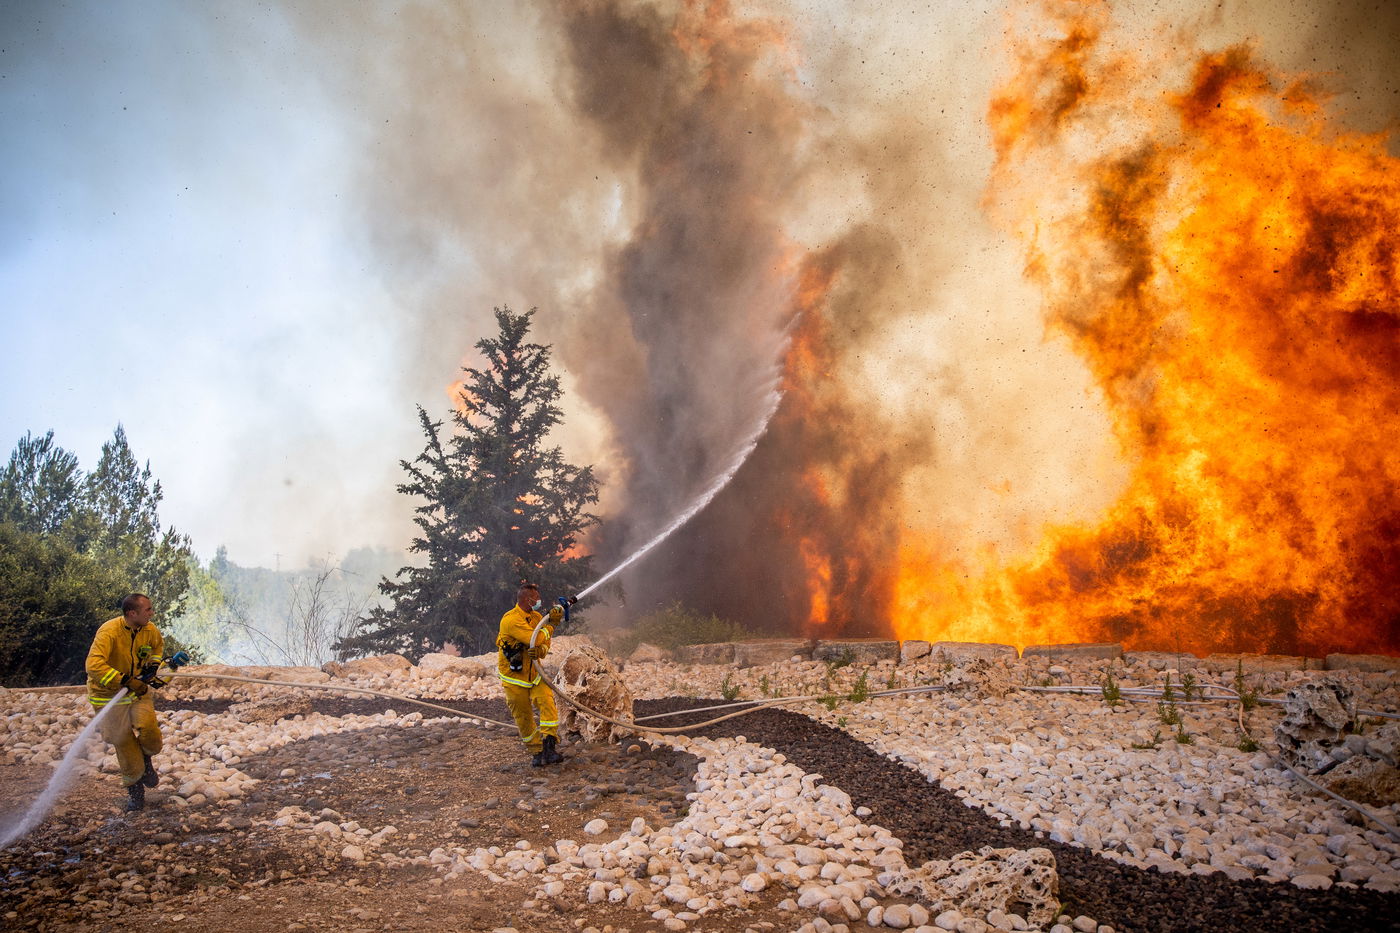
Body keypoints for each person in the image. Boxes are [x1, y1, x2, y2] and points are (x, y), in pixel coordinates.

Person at [86, 593, 165, 812]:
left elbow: (157, 647)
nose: (152, 613)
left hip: (137, 692)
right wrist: (124, 680)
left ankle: (147, 759)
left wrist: (151, 667)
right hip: (109, 696)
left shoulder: (149, 629)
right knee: (124, 742)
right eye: (147, 610)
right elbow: (93, 665)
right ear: (132, 613)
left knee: (150, 731)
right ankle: (135, 791)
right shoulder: (109, 632)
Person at [496, 581, 565, 766]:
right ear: (528, 599)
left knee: (547, 703)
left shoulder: (535, 617)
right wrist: (552, 624)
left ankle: (550, 748)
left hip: (535, 673)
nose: (539, 601)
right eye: (537, 598)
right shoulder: (510, 620)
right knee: (523, 716)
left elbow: (544, 642)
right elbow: (535, 638)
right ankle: (536, 752)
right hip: (514, 678)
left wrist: (541, 651)